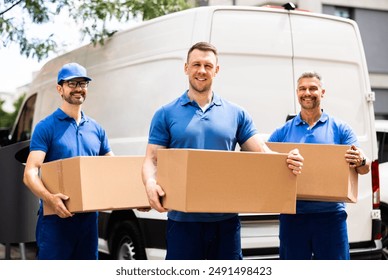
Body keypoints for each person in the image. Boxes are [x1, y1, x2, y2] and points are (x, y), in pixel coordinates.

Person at [141, 42, 304, 260]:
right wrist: (150, 183)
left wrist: (286, 160)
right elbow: (152, 159)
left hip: (225, 222)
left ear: (216, 70)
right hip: (183, 222)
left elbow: (261, 151)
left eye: (208, 66)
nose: (201, 70)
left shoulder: (236, 113)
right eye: (196, 64)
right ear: (186, 68)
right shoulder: (165, 113)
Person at [268, 71, 371, 260]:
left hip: (330, 216)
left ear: (322, 92)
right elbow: (264, 166)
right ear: (297, 93)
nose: (307, 92)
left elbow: (364, 169)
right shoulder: (282, 132)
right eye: (302, 89)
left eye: (312, 88)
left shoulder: (340, 129)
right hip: (293, 216)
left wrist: (361, 160)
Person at [23, 62, 114, 260]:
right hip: (55, 219)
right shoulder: (46, 127)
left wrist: (137, 198)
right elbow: (30, 173)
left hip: (89, 220)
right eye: (72, 83)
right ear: (60, 88)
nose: (78, 88)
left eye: (82, 83)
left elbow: (113, 169)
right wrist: (50, 199)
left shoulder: (97, 129)